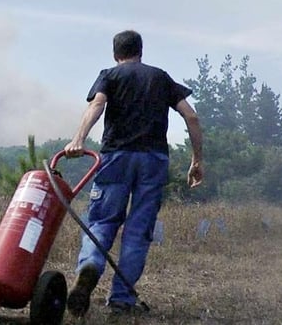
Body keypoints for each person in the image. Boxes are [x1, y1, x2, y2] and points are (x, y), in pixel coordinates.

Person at [63, 30, 203, 317]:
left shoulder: (110, 75)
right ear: (141, 51)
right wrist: (196, 160)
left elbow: (97, 105)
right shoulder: (160, 77)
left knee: (102, 220)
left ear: (116, 54)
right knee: (138, 231)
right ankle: (121, 300)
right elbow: (191, 115)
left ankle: (90, 265)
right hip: (153, 161)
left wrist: (78, 138)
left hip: (117, 157)